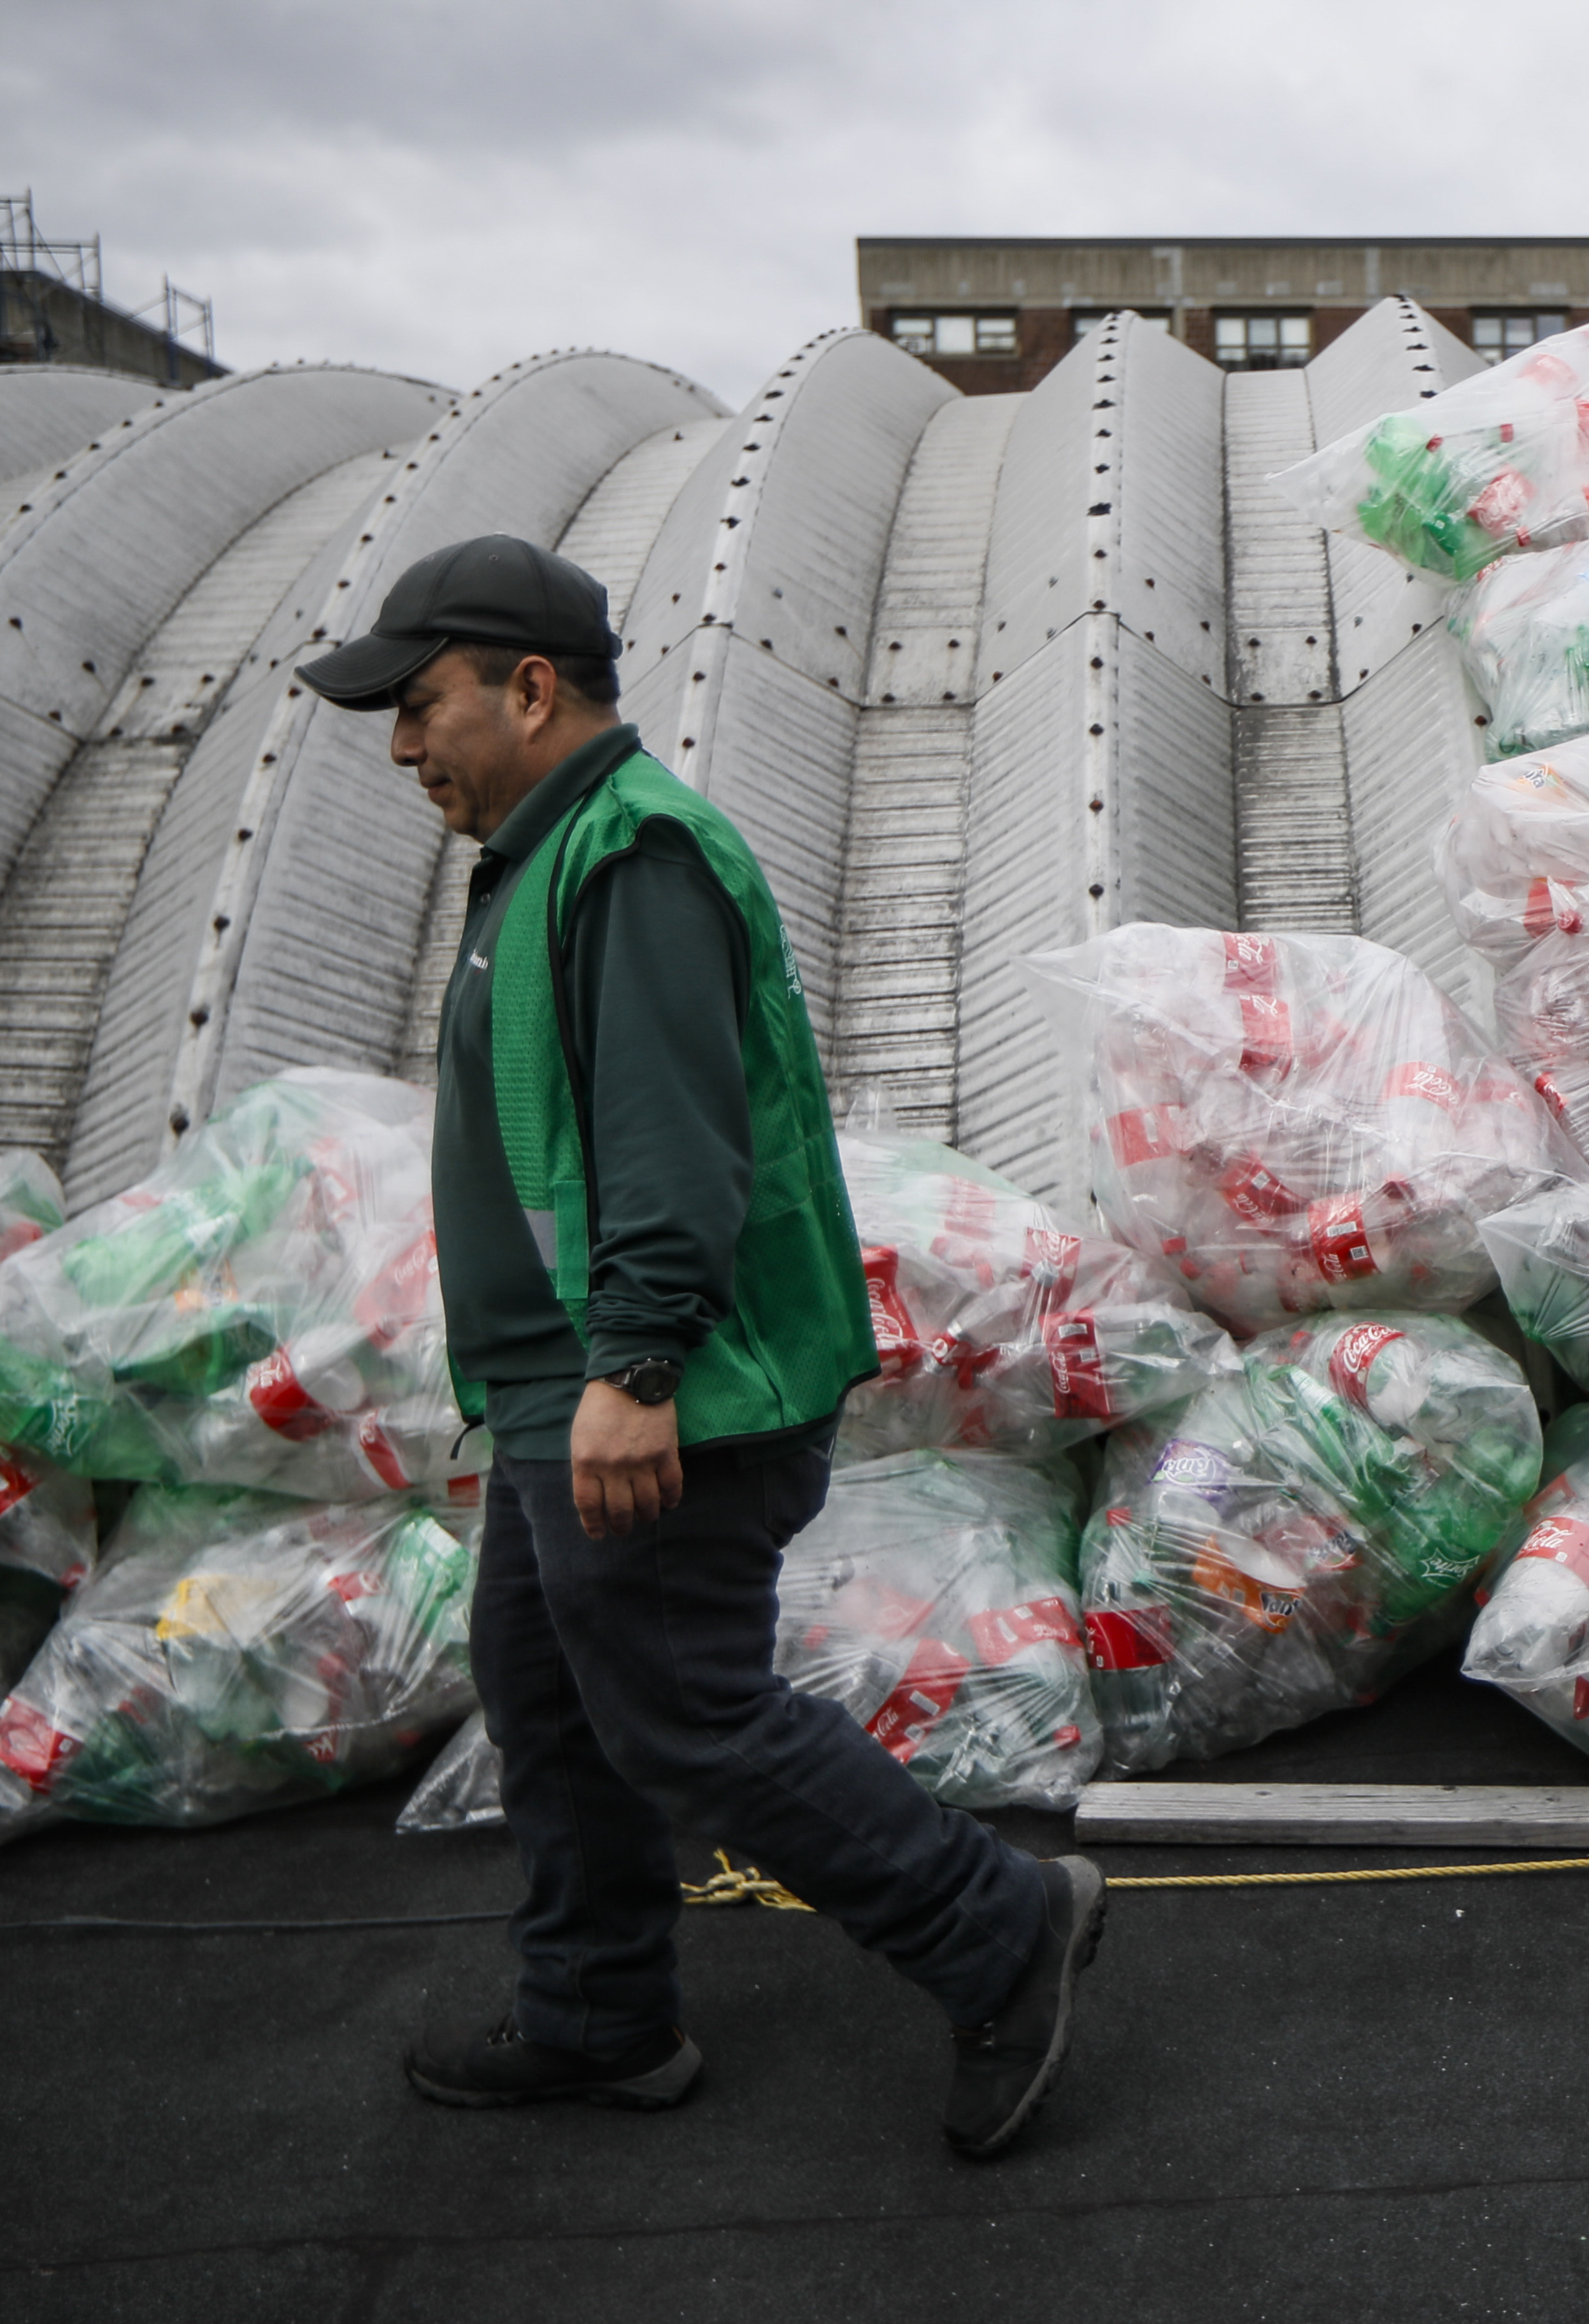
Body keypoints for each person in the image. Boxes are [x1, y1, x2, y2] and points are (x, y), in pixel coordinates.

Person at [294, 534, 1103, 2158]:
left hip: (658, 1390)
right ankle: (600, 2013)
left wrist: (635, 1371)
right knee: (551, 1701)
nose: (400, 745)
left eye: (423, 703)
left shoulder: (636, 856)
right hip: (556, 1393)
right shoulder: (546, 854)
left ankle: (996, 1925)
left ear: (530, 690)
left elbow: (672, 1144)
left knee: (683, 1711)